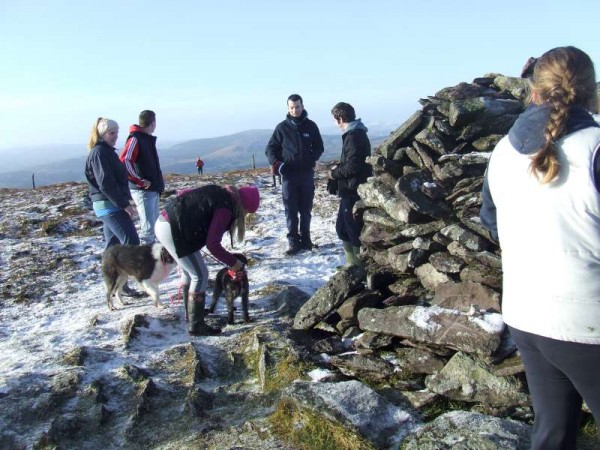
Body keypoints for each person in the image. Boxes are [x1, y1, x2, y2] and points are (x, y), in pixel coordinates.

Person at [480, 46, 600, 450]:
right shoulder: (595, 149)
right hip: (590, 321)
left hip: (528, 316)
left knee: (552, 435)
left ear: (534, 91)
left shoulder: (502, 152)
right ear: (592, 90)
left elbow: (492, 221)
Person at [154, 184, 260, 336]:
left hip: (166, 222)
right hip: (173, 229)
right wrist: (234, 263)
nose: (244, 215)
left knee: (189, 272)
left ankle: (190, 314)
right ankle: (196, 325)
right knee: (200, 275)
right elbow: (213, 244)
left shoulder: (222, 193)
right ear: (242, 206)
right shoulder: (226, 208)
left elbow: (185, 193)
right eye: (246, 212)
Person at [84, 117, 143, 297]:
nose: (115, 136)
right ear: (102, 133)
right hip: (109, 205)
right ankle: (121, 285)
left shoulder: (106, 151)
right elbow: (106, 184)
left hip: (108, 205)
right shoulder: (100, 153)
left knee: (112, 246)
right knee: (131, 242)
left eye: (117, 132)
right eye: (111, 133)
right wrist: (124, 204)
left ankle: (113, 284)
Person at [265, 94, 324, 255]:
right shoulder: (281, 128)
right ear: (288, 108)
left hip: (306, 175)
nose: (295, 110)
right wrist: (278, 164)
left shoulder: (311, 126)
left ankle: (306, 240)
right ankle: (293, 242)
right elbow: (270, 149)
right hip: (289, 176)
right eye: (292, 107)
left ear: (302, 106)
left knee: (306, 210)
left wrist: (312, 159)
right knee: (290, 210)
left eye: (297, 107)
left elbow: (319, 147)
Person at [328, 102, 372, 267]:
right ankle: (351, 265)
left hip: (353, 190)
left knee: (352, 230)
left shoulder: (353, 136)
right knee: (343, 228)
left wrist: (334, 174)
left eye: (335, 119)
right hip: (348, 189)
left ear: (340, 118)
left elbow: (353, 166)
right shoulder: (354, 133)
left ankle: (358, 268)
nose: (335, 123)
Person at [120, 110, 164, 245]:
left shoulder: (145, 138)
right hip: (143, 191)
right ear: (152, 123)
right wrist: (138, 181)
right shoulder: (136, 138)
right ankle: (145, 262)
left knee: (155, 226)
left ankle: (155, 259)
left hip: (152, 189)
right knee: (148, 229)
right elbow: (125, 160)